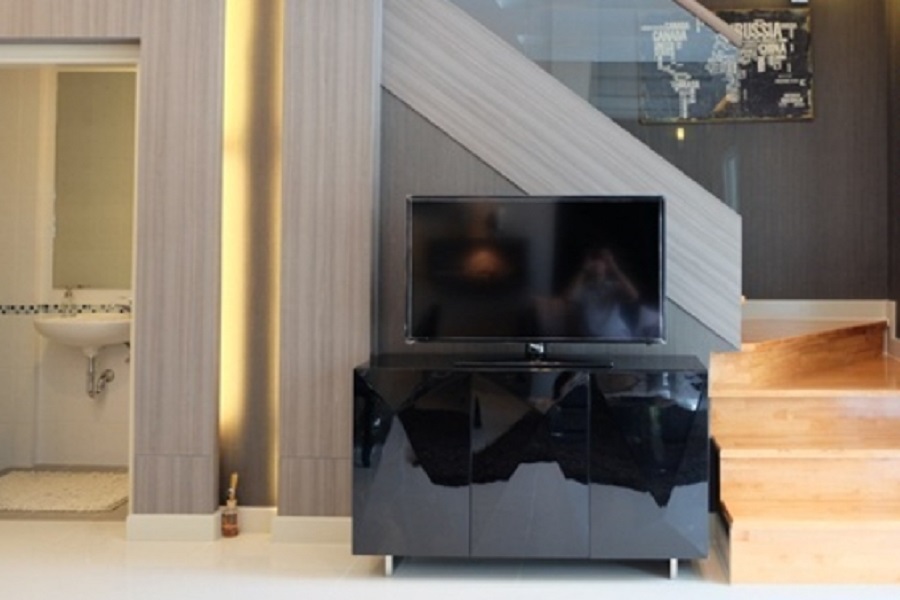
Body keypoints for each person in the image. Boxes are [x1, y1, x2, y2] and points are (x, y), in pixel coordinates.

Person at [564, 247, 640, 338]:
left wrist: (614, 268)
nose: (597, 263)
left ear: (607, 266)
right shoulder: (583, 288)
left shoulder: (613, 286)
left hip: (617, 336)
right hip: (593, 339)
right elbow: (569, 299)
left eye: (602, 261)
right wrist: (583, 270)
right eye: (594, 260)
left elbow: (633, 295)